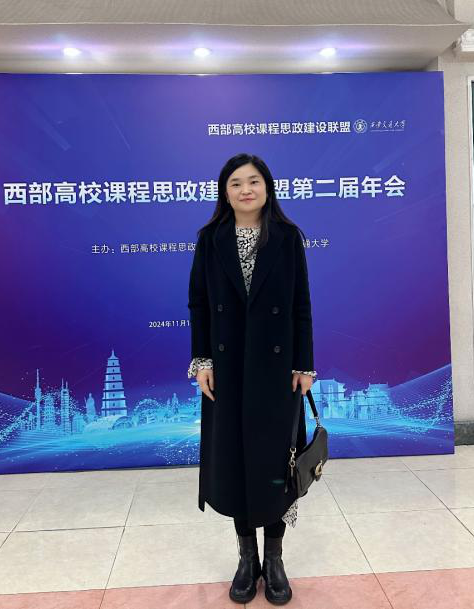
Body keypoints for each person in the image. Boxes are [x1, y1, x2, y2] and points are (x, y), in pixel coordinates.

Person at [187, 153, 316, 605]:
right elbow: (199, 304)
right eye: (236, 183)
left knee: (277, 464)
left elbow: (301, 304)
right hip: (227, 370)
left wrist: (303, 365)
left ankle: (275, 558)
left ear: (267, 188)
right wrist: (202, 360)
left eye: (254, 181)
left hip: (277, 371)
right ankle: (247, 558)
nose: (246, 190)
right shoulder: (210, 239)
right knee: (236, 462)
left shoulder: (287, 237)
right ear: (225, 192)